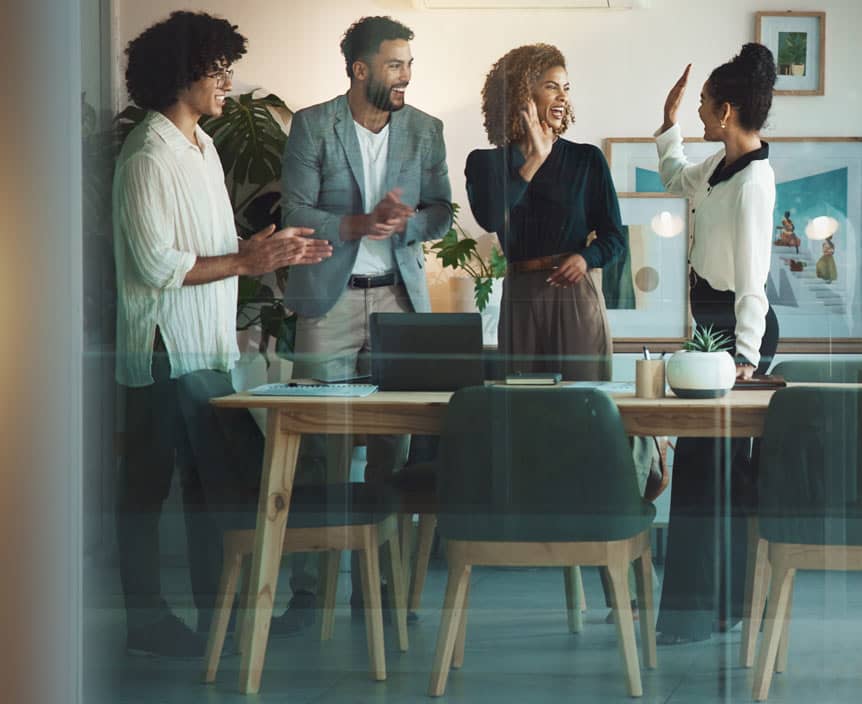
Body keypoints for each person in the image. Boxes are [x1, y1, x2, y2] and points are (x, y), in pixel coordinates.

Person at [113, 11, 331, 657]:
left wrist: (260, 248)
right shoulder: (148, 153)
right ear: (182, 73)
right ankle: (146, 621)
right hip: (159, 349)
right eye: (217, 68)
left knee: (208, 488)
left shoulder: (201, 145)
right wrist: (244, 262)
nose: (228, 80)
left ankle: (219, 621)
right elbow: (156, 264)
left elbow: (205, 247)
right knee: (149, 489)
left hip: (203, 349)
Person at [277, 15, 451, 634]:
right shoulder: (312, 124)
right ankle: (308, 589)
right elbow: (293, 210)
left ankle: (379, 584)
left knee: (392, 445)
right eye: (396, 63)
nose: (408, 73)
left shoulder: (425, 130)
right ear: (360, 69)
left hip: (398, 303)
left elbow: (442, 211)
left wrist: (406, 223)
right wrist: (357, 224)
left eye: (409, 62)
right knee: (315, 444)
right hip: (329, 300)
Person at [652, 44, 780, 644]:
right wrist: (670, 122)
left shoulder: (755, 180)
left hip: (736, 331)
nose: (701, 110)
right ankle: (702, 610)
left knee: (713, 465)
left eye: (704, 104)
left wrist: (747, 359)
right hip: (710, 329)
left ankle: (706, 611)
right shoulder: (717, 167)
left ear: (727, 111)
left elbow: (754, 281)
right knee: (702, 464)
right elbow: (675, 178)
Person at [465, 43, 625, 381]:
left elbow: (614, 239)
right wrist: (536, 158)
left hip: (575, 293)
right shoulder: (486, 162)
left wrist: (586, 258)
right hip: (521, 295)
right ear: (522, 93)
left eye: (566, 88)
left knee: (583, 405)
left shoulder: (587, 159)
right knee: (526, 409)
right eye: (552, 86)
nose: (563, 97)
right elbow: (492, 218)